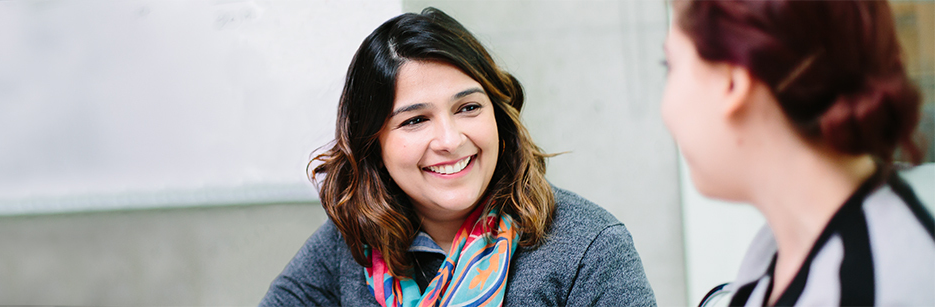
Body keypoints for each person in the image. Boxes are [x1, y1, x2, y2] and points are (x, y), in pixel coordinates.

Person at [262, 7, 656, 307]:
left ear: (498, 114)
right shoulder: (349, 245)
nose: (449, 140)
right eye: (415, 120)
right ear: (373, 144)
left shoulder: (590, 247)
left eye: (468, 108)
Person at [661, 0, 934, 306]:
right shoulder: (779, 249)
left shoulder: (866, 288)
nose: (664, 109)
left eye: (669, 66)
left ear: (732, 81)